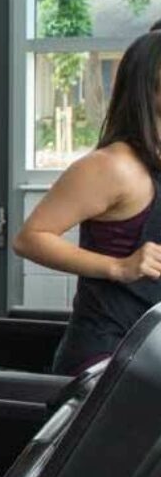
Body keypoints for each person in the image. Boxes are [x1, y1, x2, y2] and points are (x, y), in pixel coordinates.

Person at [15, 30, 161, 374]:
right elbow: (29, 239)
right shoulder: (112, 166)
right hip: (107, 360)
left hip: (151, 354)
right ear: (149, 87)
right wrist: (118, 266)